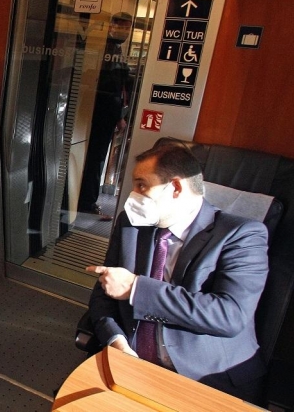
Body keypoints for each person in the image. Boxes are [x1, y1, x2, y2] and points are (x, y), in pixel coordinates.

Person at [86, 141, 269, 402]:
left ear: (176, 187)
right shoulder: (131, 224)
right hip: (133, 366)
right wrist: (117, 342)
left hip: (206, 379)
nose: (133, 195)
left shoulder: (241, 235)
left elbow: (230, 315)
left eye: (141, 185)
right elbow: (104, 296)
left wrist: (136, 289)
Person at [78, 12, 134, 221]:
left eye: (128, 29)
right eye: (122, 27)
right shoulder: (108, 49)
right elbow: (110, 88)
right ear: (111, 26)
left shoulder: (114, 50)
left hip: (101, 112)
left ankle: (86, 200)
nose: (125, 33)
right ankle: (87, 202)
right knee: (96, 159)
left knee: (94, 158)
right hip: (101, 113)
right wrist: (118, 116)